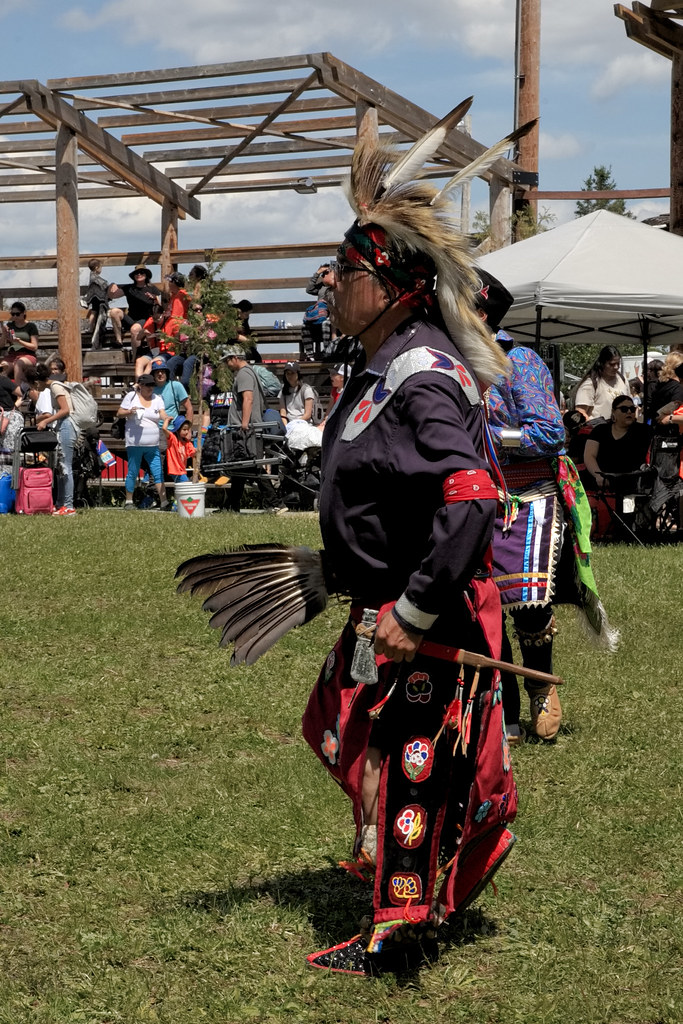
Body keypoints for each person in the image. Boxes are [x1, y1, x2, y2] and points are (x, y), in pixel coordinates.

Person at [298, 111, 526, 975]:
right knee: (362, 741)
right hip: (383, 605)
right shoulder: (383, 362)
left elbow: (470, 500)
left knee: (412, 768)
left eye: (345, 271)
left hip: (427, 614)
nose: (330, 283)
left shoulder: (420, 373)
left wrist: (417, 605)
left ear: (392, 285)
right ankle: (408, 888)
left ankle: (398, 938)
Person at [480, 269, 617, 745]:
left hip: (527, 494)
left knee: (528, 606)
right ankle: (503, 706)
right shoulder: (449, 361)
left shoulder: (519, 361)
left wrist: (487, 436)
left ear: (479, 314)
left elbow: (549, 432)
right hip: (474, 496)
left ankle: (540, 687)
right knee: (482, 605)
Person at [223, 345, 285, 513]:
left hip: (247, 430)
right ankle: (231, 507)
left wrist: (244, 423)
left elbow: (248, 399)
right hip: (248, 429)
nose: (227, 364)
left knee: (253, 466)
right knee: (240, 466)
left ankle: (276, 503)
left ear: (235, 358)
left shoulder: (244, 374)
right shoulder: (249, 372)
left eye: (228, 360)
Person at [29, 362, 78, 516]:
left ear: (37, 381)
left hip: (67, 426)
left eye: (33, 385)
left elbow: (65, 410)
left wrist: (45, 421)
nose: (34, 388)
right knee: (61, 467)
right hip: (62, 426)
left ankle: (69, 505)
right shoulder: (52, 388)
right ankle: (61, 503)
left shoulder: (55, 387)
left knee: (66, 466)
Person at [116, 374, 170, 511]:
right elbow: (119, 413)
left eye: (152, 385)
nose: (151, 388)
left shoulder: (157, 399)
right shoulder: (131, 397)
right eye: (148, 385)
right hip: (135, 443)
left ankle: (164, 502)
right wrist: (130, 411)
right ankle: (129, 501)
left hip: (153, 444)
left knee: (158, 472)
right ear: (140, 385)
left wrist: (166, 418)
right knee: (133, 471)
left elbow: (162, 412)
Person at [583, 396, 652, 489]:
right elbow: (589, 456)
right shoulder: (600, 430)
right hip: (599, 483)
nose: (629, 412)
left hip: (631, 484)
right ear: (613, 411)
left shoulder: (644, 431)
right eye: (624, 409)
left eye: (632, 409)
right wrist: (598, 475)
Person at [108, 265, 162, 358]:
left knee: (134, 329)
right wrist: (111, 285)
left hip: (145, 319)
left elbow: (160, 306)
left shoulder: (152, 288)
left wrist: (153, 298)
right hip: (131, 318)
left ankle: (135, 358)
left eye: (142, 272)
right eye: (136, 273)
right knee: (114, 311)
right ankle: (119, 341)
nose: (139, 274)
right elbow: (112, 295)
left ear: (146, 275)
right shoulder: (129, 288)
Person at [574, 346, 630, 421]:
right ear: (602, 363)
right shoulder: (590, 383)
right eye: (612, 364)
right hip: (598, 427)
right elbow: (580, 412)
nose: (616, 367)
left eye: (618, 363)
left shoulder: (623, 380)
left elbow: (630, 405)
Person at [84, 259, 122, 348]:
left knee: (93, 311)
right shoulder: (95, 277)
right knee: (95, 312)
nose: (101, 269)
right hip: (98, 297)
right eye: (101, 267)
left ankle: (91, 328)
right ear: (97, 267)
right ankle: (91, 328)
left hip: (94, 296)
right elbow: (104, 284)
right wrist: (109, 285)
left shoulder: (92, 276)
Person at [1, 302, 39, 387]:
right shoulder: (10, 326)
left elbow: (34, 347)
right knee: (3, 367)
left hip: (27, 355)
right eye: (12, 314)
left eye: (17, 314)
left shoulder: (31, 326)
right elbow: (1, 345)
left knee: (19, 363)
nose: (15, 316)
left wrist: (19, 341)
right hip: (12, 355)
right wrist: (4, 334)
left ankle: (19, 391)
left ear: (23, 313)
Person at [162, 415, 196, 482]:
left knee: (182, 487)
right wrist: (166, 420)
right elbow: (164, 429)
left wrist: (196, 451)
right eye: (184, 430)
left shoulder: (187, 442)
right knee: (186, 484)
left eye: (188, 429)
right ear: (177, 430)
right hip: (175, 470)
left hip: (182, 470)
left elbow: (192, 453)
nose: (186, 432)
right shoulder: (172, 439)